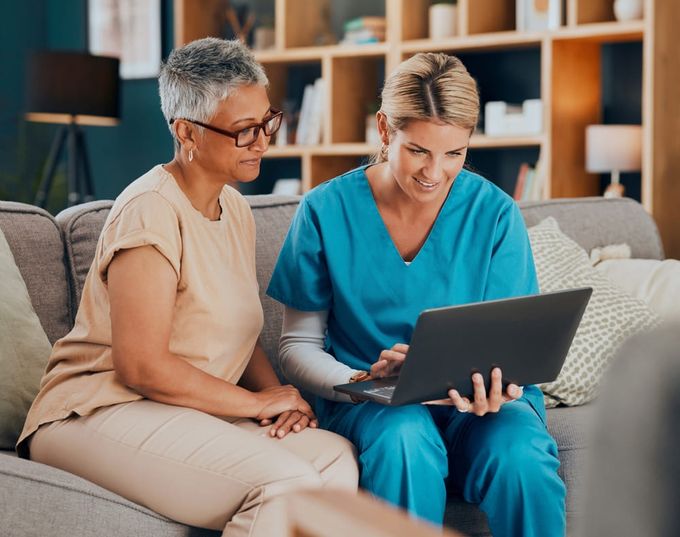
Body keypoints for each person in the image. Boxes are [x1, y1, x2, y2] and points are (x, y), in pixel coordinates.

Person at [17, 37, 357, 537]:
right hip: (97, 409)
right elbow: (142, 366)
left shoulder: (235, 207)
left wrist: (281, 396)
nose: (262, 141)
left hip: (186, 408)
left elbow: (236, 333)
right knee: (284, 482)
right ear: (186, 132)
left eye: (267, 122)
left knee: (334, 460)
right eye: (244, 131)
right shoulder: (150, 210)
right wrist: (258, 404)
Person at [266, 52, 566, 537]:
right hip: (375, 407)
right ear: (385, 131)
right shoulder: (324, 210)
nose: (436, 172)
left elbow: (515, 346)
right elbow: (296, 347)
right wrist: (364, 378)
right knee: (404, 439)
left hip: (480, 408)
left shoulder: (494, 214)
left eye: (455, 153)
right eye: (418, 150)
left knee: (521, 455)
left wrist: (501, 384)